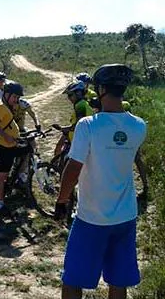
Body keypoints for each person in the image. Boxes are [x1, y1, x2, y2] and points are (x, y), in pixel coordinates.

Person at [55, 64, 146, 299]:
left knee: (73, 280)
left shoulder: (88, 125)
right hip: (126, 215)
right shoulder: (139, 126)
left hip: (91, 217)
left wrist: (62, 200)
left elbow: (73, 167)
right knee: (118, 281)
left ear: (102, 89)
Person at [0, 81, 28, 215]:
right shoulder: (0, 106)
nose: (16, 100)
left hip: (13, 143)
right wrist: (6, 136)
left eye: (18, 98)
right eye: (15, 97)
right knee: (1, 176)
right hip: (4, 146)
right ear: (6, 94)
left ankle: (19, 177)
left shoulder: (8, 105)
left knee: (27, 151)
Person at [54, 81, 94, 157]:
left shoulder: (80, 105)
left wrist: (66, 129)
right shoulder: (83, 103)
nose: (68, 98)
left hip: (80, 141)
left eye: (70, 95)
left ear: (78, 93)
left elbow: (79, 125)